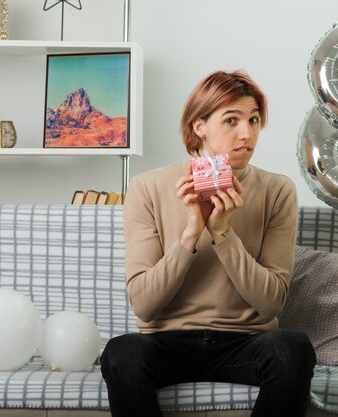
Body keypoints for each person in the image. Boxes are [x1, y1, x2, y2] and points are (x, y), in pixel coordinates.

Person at [100, 70, 316, 417]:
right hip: (166, 341)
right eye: (231, 120)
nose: (247, 134)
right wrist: (191, 233)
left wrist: (222, 233)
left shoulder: (277, 190)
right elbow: (144, 305)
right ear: (199, 126)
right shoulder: (147, 187)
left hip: (246, 342)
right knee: (122, 352)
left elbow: (271, 303)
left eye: (254, 120)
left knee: (293, 347)